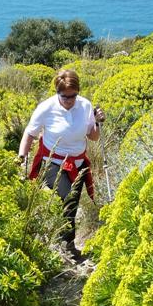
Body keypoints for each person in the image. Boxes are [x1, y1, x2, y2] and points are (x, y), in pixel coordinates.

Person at [18, 69, 106, 259]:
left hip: (78, 162)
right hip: (53, 162)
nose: (68, 100)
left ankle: (65, 242)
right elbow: (30, 133)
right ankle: (67, 246)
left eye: (72, 96)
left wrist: (98, 122)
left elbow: (93, 136)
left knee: (72, 203)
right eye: (64, 96)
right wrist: (21, 156)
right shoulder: (46, 108)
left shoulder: (85, 105)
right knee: (68, 199)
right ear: (57, 92)